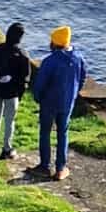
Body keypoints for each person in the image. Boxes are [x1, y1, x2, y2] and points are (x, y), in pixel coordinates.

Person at [30, 26, 87, 181]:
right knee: (63, 133)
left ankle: (44, 166)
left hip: (49, 102)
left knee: (45, 132)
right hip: (68, 102)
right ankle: (61, 168)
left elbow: (40, 84)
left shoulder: (50, 61)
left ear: (55, 43)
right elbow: (82, 79)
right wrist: (74, 94)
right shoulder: (78, 58)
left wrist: (38, 97)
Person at [0, 22, 31, 158]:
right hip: (12, 92)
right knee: (9, 120)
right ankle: (7, 149)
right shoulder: (22, 54)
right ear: (20, 37)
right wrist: (20, 94)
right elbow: (25, 78)